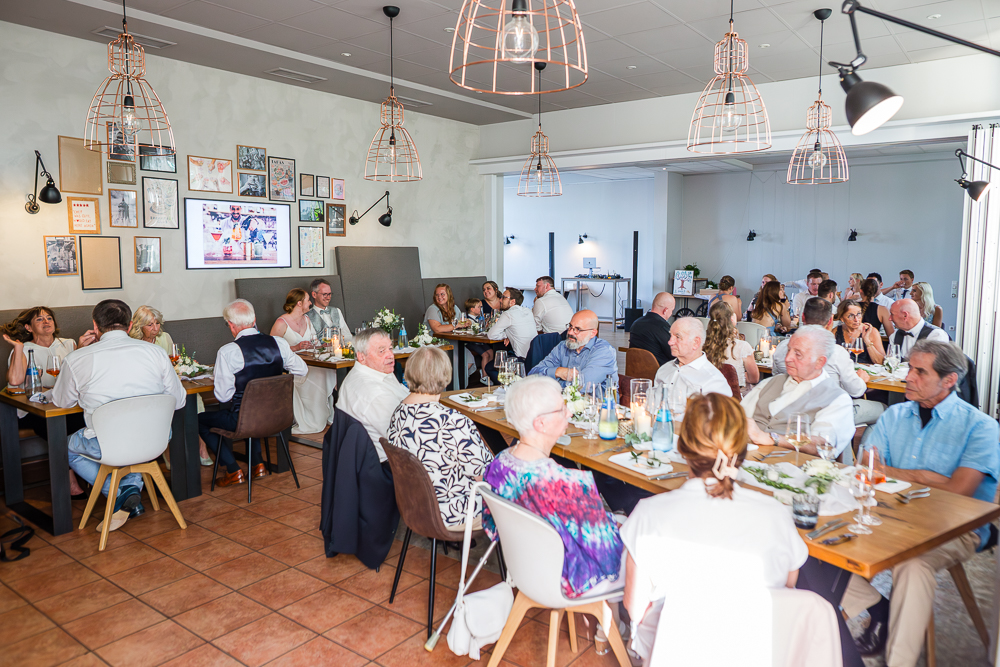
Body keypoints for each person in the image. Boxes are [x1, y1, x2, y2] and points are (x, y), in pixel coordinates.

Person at [840, 341, 999, 666]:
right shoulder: (894, 414)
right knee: (814, 540)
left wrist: (901, 474)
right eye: (909, 368)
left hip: (952, 528)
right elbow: (867, 468)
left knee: (913, 567)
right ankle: (878, 606)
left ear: (949, 380)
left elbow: (958, 492)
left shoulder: (980, 427)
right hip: (889, 517)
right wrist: (928, 476)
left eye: (919, 371)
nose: (907, 377)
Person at [621, 393, 809, 664]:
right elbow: (787, 590)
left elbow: (635, 609)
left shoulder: (649, 514)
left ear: (682, 448)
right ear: (742, 449)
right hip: (755, 652)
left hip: (675, 652)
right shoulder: (777, 514)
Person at [483, 375, 624, 600]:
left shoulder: (499, 465)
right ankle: (614, 626)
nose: (569, 412)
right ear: (540, 423)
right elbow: (606, 550)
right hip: (565, 579)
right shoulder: (567, 483)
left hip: (524, 569)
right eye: (561, 408)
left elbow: (491, 526)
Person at [51, 300, 186, 532]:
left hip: (108, 444)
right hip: (155, 440)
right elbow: (179, 400)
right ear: (130, 324)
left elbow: (62, 402)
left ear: (95, 326)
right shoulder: (155, 352)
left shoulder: (77, 359)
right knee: (131, 447)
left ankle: (119, 492)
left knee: (65, 447)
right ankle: (128, 490)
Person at [200, 299, 307, 487]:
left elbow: (223, 396)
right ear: (254, 319)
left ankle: (233, 470)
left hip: (245, 420)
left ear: (231, 325)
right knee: (253, 411)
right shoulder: (279, 344)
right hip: (278, 418)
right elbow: (302, 371)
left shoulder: (228, 352)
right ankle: (257, 464)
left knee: (200, 420)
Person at [387, 346, 493, 528]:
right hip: (451, 513)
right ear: (445, 376)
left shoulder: (398, 413)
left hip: (413, 506)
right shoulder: (454, 422)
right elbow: (486, 476)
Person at [3, 307, 89, 495]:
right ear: (28, 327)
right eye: (40, 319)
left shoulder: (69, 343)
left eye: (49, 318)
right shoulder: (24, 348)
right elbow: (15, 382)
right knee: (53, 426)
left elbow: (80, 376)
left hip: (65, 405)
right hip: (33, 409)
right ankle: (69, 480)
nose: (46, 321)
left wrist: (82, 350)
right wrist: (18, 348)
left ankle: (92, 474)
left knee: (84, 420)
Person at [742, 326, 855, 458]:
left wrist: (772, 438)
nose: (788, 358)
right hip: (744, 461)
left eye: (798, 354)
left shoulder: (837, 399)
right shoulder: (771, 382)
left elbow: (823, 445)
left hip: (791, 470)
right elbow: (738, 417)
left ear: (820, 362)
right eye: (788, 350)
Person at [773, 298, 883, 427]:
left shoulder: (781, 348)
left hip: (790, 410)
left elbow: (776, 377)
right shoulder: (836, 352)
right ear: (831, 320)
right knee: (886, 410)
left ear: (803, 317)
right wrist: (861, 379)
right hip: (829, 412)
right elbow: (856, 391)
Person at [130, 305, 213, 467]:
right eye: (150, 325)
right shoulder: (133, 343)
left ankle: (201, 445)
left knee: (192, 395)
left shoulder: (164, 337)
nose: (155, 328)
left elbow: (173, 362)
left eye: (157, 323)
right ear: (140, 326)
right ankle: (168, 451)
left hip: (168, 383)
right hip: (148, 388)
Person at [336, 328, 409, 463]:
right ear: (361, 357)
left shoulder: (376, 371)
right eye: (381, 351)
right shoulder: (375, 393)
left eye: (390, 348)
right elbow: (403, 438)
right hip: (389, 465)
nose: (390, 355)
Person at [271, 289, 337, 435]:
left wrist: (320, 345)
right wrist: (295, 347)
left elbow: (314, 340)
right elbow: (271, 349)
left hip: (311, 362)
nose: (310, 303)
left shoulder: (307, 319)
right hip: (294, 368)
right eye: (308, 300)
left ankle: (325, 412)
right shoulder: (281, 322)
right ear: (299, 303)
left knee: (327, 370)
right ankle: (313, 418)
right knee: (319, 373)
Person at [653, 317, 732, 421]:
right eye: (670, 336)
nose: (670, 342)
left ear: (696, 342)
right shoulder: (664, 369)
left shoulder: (714, 381)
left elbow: (718, 424)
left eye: (677, 337)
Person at [529, 310, 617, 389]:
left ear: (592, 333)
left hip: (598, 405)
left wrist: (552, 382)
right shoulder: (563, 346)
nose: (570, 332)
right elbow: (532, 374)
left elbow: (582, 386)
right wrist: (558, 372)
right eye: (570, 327)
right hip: (565, 403)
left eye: (577, 329)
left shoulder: (604, 352)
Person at [703, 301, 758, 389]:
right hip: (736, 398)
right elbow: (754, 379)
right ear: (732, 318)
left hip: (711, 395)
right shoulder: (743, 346)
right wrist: (736, 375)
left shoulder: (704, 345)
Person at [485, 287, 536, 362]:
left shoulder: (508, 314)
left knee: (489, 368)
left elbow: (491, 335)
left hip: (521, 359)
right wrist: (509, 334)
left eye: (503, 297)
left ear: (513, 301)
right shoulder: (528, 311)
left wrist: (507, 335)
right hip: (535, 356)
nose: (500, 300)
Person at [627, 292, 675, 366]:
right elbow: (673, 353)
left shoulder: (636, 323)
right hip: (658, 373)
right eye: (672, 310)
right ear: (665, 310)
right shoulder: (661, 327)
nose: (671, 314)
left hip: (635, 370)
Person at [834, 299, 885, 365]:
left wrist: (867, 341)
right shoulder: (835, 332)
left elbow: (881, 362)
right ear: (841, 318)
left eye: (858, 314)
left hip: (867, 373)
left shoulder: (871, 331)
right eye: (851, 316)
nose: (856, 319)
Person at [306, 278, 354, 345]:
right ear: (314, 295)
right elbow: (311, 341)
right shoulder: (307, 316)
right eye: (324, 294)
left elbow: (347, 335)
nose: (328, 297)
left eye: (330, 294)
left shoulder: (337, 311)